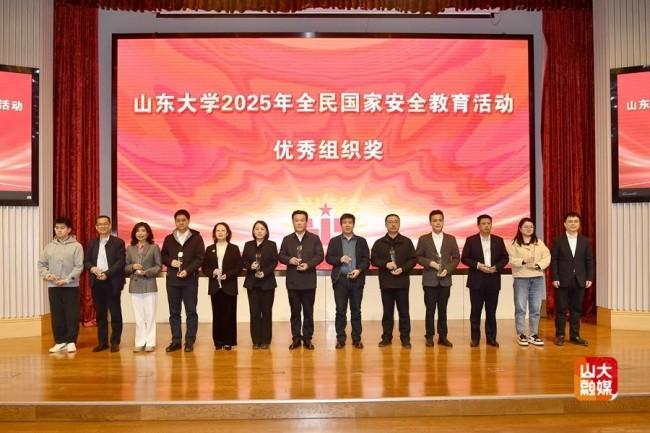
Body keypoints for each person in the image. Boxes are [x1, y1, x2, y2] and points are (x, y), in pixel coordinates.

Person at [461, 214, 509, 348]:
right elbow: (464, 258)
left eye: (489, 223)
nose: (487, 226)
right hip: (476, 280)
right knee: (475, 311)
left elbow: (505, 258)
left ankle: (491, 338)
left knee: (491, 311)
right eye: (483, 223)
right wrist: (478, 265)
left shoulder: (498, 240)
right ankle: (475, 339)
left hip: (493, 280)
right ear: (478, 225)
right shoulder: (471, 240)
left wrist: (496, 267)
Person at [161, 209, 205, 353]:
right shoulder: (169, 238)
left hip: (190, 280)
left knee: (191, 312)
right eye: (178, 220)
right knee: (174, 312)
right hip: (172, 281)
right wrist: (170, 262)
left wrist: (188, 270)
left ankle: (190, 341)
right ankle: (176, 341)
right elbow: (163, 256)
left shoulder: (197, 238)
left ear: (188, 221)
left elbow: (200, 258)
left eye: (183, 220)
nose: (181, 223)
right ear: (175, 222)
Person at [279, 210, 324, 350]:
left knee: (308, 312)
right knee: (295, 312)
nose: (299, 223)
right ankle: (296, 338)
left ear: (306, 222)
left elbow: (320, 255)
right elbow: (281, 256)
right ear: (293, 222)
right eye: (296, 220)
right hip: (293, 282)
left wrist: (308, 264)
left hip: (308, 281)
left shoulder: (314, 238)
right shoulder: (287, 239)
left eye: (302, 220)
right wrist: (289, 260)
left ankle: (308, 338)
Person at [38, 217, 84, 353]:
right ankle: (60, 341)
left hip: (71, 286)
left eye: (62, 228)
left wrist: (67, 280)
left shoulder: (76, 246)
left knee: (72, 314)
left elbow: (79, 266)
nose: (59, 230)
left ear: (69, 230)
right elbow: (41, 264)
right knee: (57, 315)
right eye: (57, 228)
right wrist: (48, 275)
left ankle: (71, 341)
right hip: (53, 286)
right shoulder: (49, 246)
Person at [415, 210, 460, 348]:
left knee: (443, 310)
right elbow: (418, 257)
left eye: (440, 220)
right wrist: (430, 263)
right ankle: (429, 336)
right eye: (434, 220)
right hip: (430, 280)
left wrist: (447, 269)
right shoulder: (423, 239)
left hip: (445, 280)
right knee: (430, 310)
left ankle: (443, 337)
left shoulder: (451, 239)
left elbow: (456, 258)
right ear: (430, 222)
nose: (438, 223)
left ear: (443, 221)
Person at [371, 214, 417, 349]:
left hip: (402, 282)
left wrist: (402, 269)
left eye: (396, 222)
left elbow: (413, 260)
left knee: (404, 312)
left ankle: (405, 338)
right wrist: (386, 264)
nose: (393, 224)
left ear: (399, 224)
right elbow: (373, 260)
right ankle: (386, 337)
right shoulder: (379, 243)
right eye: (390, 222)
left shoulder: (406, 242)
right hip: (386, 282)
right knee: (387, 312)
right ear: (385, 224)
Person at [325, 213, 370, 349]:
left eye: (350, 222)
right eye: (345, 222)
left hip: (357, 279)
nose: (347, 225)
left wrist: (359, 270)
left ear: (353, 224)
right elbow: (328, 258)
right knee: (340, 311)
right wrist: (340, 259)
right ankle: (340, 339)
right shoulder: (334, 241)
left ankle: (356, 339)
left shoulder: (361, 241)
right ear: (341, 225)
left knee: (356, 311)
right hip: (340, 280)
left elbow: (366, 260)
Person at [551, 212, 594, 347]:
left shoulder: (585, 241)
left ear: (579, 224)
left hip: (580, 279)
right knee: (561, 309)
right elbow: (554, 261)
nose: (573, 224)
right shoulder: (558, 240)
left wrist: (589, 277)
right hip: (562, 280)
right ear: (565, 224)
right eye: (570, 221)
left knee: (576, 309)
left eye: (576, 221)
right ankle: (560, 335)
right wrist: (555, 277)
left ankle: (575, 336)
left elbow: (589, 260)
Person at [507, 218, 551, 347]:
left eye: (531, 227)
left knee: (535, 308)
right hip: (521, 278)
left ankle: (533, 334)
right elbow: (510, 259)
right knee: (520, 308)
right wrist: (523, 261)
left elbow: (547, 257)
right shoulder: (513, 244)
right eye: (525, 226)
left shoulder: (539, 243)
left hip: (537, 278)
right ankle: (521, 333)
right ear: (520, 228)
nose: (528, 229)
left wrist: (538, 265)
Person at [85, 215, 126, 353]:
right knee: (101, 314)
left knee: (115, 313)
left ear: (109, 226)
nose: (102, 226)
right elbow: (87, 261)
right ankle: (102, 343)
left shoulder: (118, 242)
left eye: (105, 224)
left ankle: (115, 342)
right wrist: (92, 268)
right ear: (96, 227)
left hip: (112, 282)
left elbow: (120, 262)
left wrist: (107, 273)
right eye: (100, 224)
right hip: (96, 282)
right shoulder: (92, 243)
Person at [202, 222, 242, 351]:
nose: (220, 232)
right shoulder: (209, 249)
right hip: (215, 286)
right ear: (214, 233)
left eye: (223, 230)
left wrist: (228, 275)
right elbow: (204, 267)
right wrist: (213, 272)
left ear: (227, 233)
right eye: (217, 230)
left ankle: (229, 341)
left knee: (230, 315)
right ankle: (218, 341)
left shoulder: (234, 248)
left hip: (229, 286)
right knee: (217, 314)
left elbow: (239, 267)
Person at [125, 222, 161, 352]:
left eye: (143, 231)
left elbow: (158, 266)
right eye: (138, 231)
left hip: (149, 283)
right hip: (135, 285)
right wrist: (132, 267)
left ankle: (150, 342)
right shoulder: (130, 248)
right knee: (138, 316)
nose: (140, 233)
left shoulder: (154, 247)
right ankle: (140, 342)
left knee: (150, 316)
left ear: (148, 233)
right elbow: (125, 267)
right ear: (134, 233)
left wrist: (147, 272)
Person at [242, 221, 278, 350]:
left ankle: (266, 340)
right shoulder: (248, 245)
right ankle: (256, 340)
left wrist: (265, 272)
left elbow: (274, 262)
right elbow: (243, 261)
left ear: (266, 231)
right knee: (254, 312)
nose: (259, 231)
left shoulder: (271, 245)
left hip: (267, 283)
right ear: (253, 231)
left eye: (262, 229)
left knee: (266, 312)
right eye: (257, 229)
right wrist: (250, 266)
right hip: (252, 283)